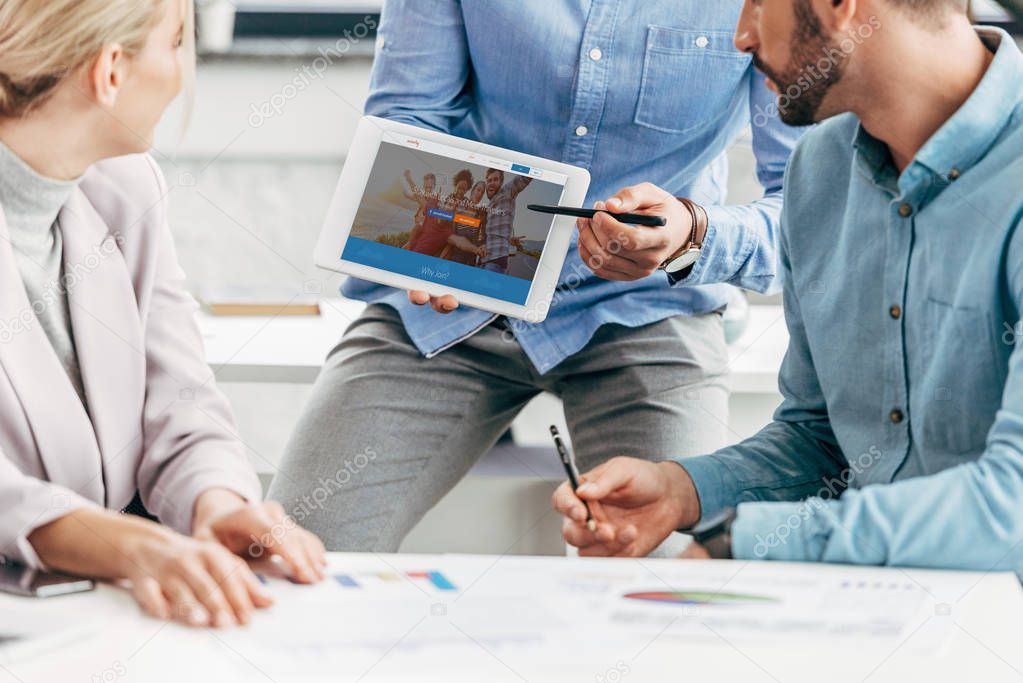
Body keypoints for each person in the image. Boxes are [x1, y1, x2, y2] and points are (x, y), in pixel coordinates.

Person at [269, 0, 803, 552]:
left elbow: (811, 204)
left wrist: (694, 235)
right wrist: (420, 235)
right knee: (287, 553)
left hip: (646, 311)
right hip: (454, 301)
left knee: (663, 583)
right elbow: (408, 124)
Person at [554, 0, 1023, 574]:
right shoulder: (819, 172)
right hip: (872, 616)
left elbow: (1013, 507)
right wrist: (682, 490)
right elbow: (824, 444)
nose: (741, 37)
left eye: (754, 3)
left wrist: (742, 542)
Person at [0, 0, 326, 627]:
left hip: (80, 607)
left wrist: (216, 500)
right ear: (111, 71)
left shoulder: (123, 186)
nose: (181, 74)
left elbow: (181, 399)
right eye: (175, 42)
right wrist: (128, 545)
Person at [478, 168, 530, 275]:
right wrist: (509, 239)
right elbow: (493, 234)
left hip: (496, 260)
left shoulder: (507, 191)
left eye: (495, 179)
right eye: (489, 180)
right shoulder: (489, 207)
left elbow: (525, 177)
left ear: (501, 182)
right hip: (482, 260)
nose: (491, 183)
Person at [442, 180, 488, 266]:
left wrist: (483, 245)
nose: (480, 194)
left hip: (470, 261)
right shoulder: (459, 209)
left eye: (482, 193)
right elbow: (448, 231)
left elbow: (482, 238)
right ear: (472, 191)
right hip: (455, 258)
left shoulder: (480, 215)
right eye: (478, 190)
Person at [401, 169, 439, 249]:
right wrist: (404, 193)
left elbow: (418, 195)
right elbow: (412, 196)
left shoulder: (435, 198)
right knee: (409, 244)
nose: (427, 189)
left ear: (434, 185)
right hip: (420, 225)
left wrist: (409, 179)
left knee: (411, 244)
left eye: (430, 187)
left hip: (426, 227)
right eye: (426, 187)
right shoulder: (423, 196)